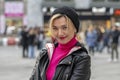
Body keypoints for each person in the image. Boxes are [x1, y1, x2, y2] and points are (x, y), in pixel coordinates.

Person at [30, 6, 91, 80]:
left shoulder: (81, 58)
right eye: (55, 28)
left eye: (64, 28)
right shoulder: (45, 53)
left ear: (75, 28)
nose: (60, 33)